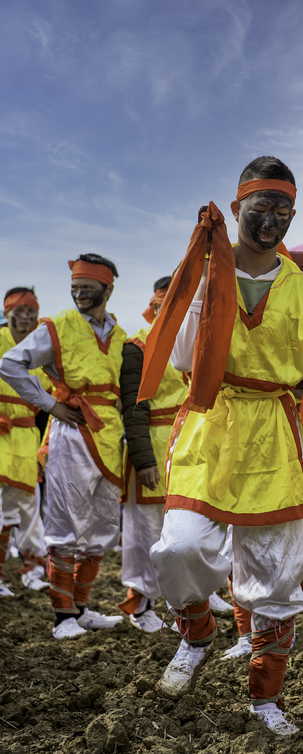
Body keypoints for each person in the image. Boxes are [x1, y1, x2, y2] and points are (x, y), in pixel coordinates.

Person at [141, 156, 303, 735]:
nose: (272, 220)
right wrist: (205, 280)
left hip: (274, 429)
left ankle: (265, 700)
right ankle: (195, 631)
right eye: (261, 208)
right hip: (211, 423)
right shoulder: (203, 274)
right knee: (178, 548)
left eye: (284, 211)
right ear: (238, 204)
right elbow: (178, 357)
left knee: (273, 576)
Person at [0, 254, 127, 638]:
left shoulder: (120, 336)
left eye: (88, 288)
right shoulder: (58, 325)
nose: (80, 294)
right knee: (65, 523)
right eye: (75, 288)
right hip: (71, 431)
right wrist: (50, 404)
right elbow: (10, 364)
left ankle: (83, 608)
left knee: (103, 525)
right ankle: (62, 616)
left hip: (109, 433)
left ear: (108, 288)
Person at [117, 277, 190, 632]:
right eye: (162, 305)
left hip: (190, 446)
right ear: (154, 305)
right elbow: (133, 406)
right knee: (145, 532)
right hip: (153, 445)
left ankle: (184, 605)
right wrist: (144, 459)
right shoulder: (137, 346)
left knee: (185, 529)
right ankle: (140, 602)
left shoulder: (193, 340)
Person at [0, 288, 50, 595]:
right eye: (18, 311)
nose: (25, 317)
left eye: (30, 312)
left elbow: (47, 403)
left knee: (30, 506)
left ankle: (32, 569)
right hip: (1, 436)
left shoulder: (40, 349)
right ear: (7, 313)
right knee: (1, 507)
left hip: (28, 436)